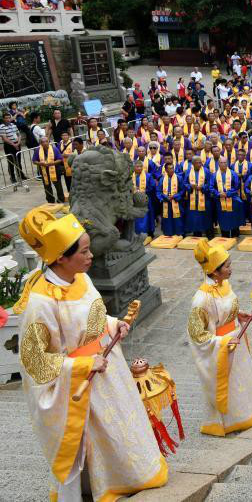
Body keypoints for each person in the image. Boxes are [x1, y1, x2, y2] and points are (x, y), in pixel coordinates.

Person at [15, 208, 168, 499]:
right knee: (92, 439)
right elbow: (35, 361)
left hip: (108, 369)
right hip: (81, 380)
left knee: (120, 431)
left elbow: (94, 318)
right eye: (84, 252)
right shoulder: (42, 303)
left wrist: (114, 325)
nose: (90, 257)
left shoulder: (81, 278)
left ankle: (129, 474)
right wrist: (80, 365)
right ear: (60, 257)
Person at [188, 239, 252, 436]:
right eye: (227, 266)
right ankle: (229, 421)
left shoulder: (225, 284)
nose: (231, 269)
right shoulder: (201, 300)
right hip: (224, 347)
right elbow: (198, 335)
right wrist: (222, 341)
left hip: (235, 340)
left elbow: (224, 311)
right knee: (228, 383)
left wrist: (237, 314)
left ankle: (247, 414)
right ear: (214, 271)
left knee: (241, 378)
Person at [33, 135, 65, 202]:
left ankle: (61, 199)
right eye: (43, 142)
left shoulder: (54, 149)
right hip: (44, 170)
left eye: (46, 141)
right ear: (40, 143)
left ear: (49, 142)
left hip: (55, 169)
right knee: (47, 186)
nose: (44, 143)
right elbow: (34, 161)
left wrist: (52, 163)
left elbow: (60, 159)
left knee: (58, 186)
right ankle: (50, 200)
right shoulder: (37, 150)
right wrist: (40, 163)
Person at [158, 161, 186, 236]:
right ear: (166, 170)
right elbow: (158, 191)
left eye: (172, 168)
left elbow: (183, 190)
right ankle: (168, 233)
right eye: (169, 169)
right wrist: (163, 197)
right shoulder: (162, 179)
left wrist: (175, 196)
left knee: (178, 218)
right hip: (166, 202)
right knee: (167, 218)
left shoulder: (179, 178)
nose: (171, 170)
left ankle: (179, 233)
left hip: (176, 201)